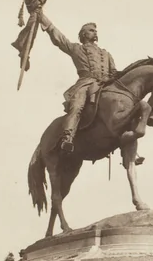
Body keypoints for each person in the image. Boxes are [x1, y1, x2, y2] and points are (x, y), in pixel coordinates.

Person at [36, 13, 130, 157]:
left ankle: (128, 147)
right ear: (83, 34)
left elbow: (114, 72)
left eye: (95, 30)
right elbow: (58, 38)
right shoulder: (76, 49)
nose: (95, 32)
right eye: (91, 30)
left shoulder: (106, 54)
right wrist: (42, 18)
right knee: (76, 107)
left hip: (105, 85)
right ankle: (67, 137)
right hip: (85, 84)